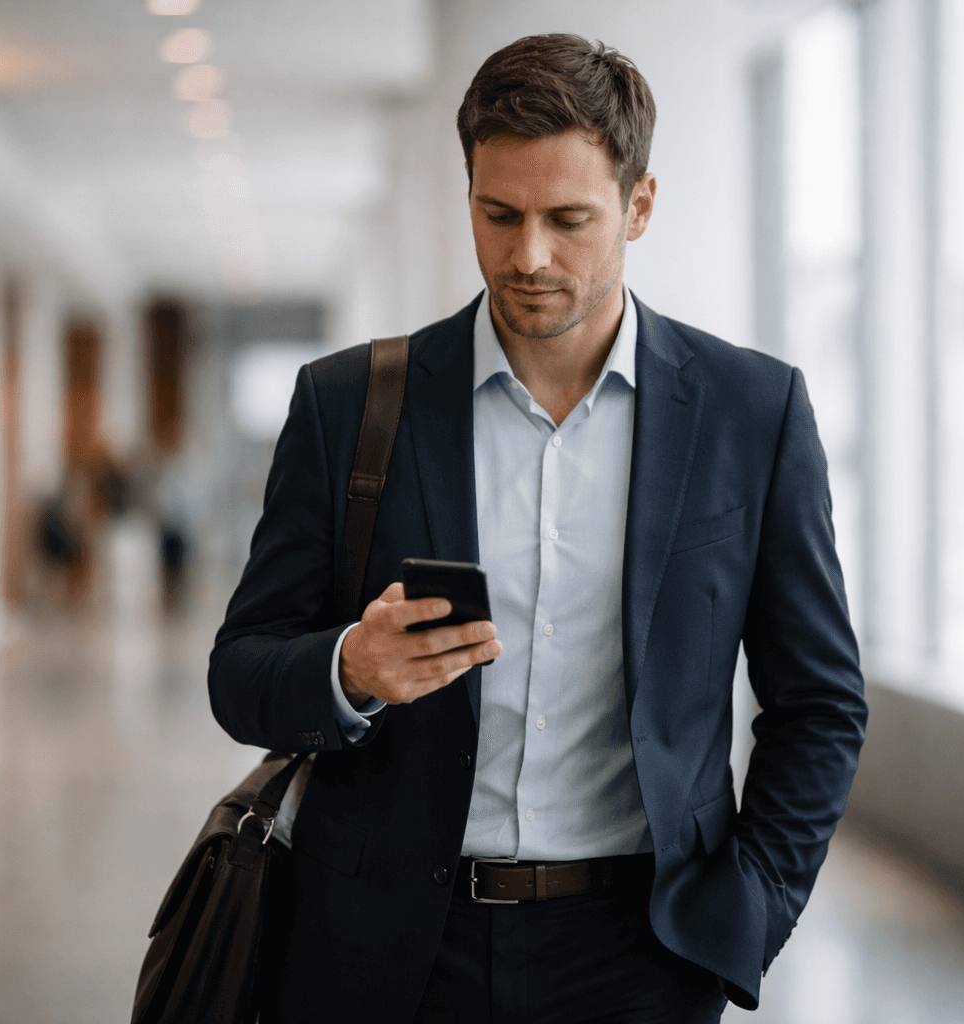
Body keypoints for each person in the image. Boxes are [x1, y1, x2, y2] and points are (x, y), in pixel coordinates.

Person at [210, 33, 867, 1024]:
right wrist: (350, 667)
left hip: (642, 955)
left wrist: (752, 908)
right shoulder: (349, 404)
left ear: (639, 206)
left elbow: (818, 702)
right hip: (383, 955)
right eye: (498, 214)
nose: (528, 257)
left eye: (570, 220)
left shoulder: (751, 412)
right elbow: (239, 669)